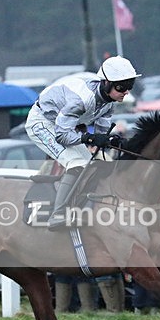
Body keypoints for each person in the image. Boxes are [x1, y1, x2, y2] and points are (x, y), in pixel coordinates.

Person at [25, 56, 140, 230]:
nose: (126, 92)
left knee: (93, 164)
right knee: (76, 163)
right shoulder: (81, 100)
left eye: (129, 87)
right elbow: (62, 136)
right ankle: (58, 214)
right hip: (41, 123)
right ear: (106, 83)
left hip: (64, 125)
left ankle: (83, 208)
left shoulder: (109, 103)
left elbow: (101, 135)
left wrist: (112, 141)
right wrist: (89, 138)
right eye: (121, 87)